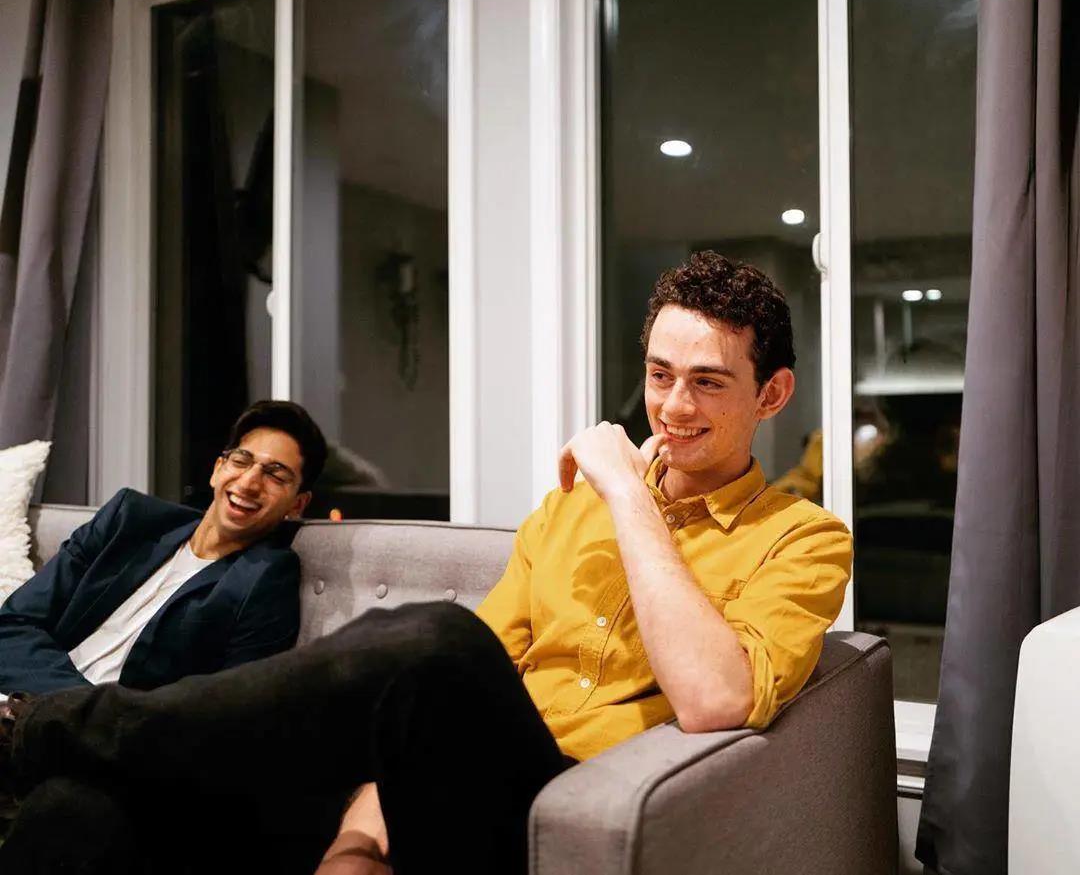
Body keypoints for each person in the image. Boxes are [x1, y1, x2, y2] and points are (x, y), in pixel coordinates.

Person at [0, 252, 852, 875]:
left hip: (552, 796)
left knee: (439, 637)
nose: (671, 405)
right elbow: (424, 691)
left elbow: (713, 698)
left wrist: (628, 492)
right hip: (438, 785)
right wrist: (356, 839)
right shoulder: (565, 512)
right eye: (660, 375)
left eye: (708, 382)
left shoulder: (803, 539)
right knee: (77, 811)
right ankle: (69, 743)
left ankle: (51, 723)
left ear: (771, 393)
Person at [0, 399, 327, 697]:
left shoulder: (266, 577)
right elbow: (12, 624)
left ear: (297, 504)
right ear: (217, 470)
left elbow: (232, 706)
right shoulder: (128, 520)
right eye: (241, 461)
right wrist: (74, 703)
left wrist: (82, 716)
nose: (249, 483)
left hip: (103, 734)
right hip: (26, 700)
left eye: (275, 475)